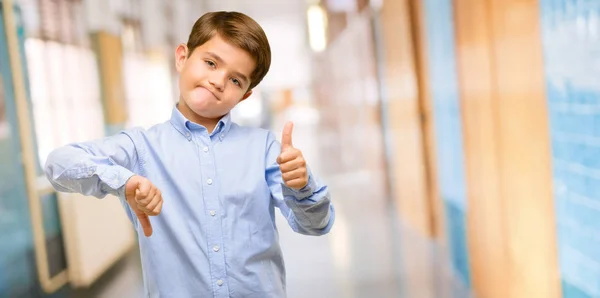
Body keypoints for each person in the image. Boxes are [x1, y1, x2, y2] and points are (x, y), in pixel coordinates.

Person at [45, 11, 334, 298]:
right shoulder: (141, 147)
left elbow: (316, 225)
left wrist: (301, 186)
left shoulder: (266, 149)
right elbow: (59, 164)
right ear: (182, 57)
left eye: (236, 80)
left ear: (245, 95)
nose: (218, 81)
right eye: (210, 63)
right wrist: (124, 181)